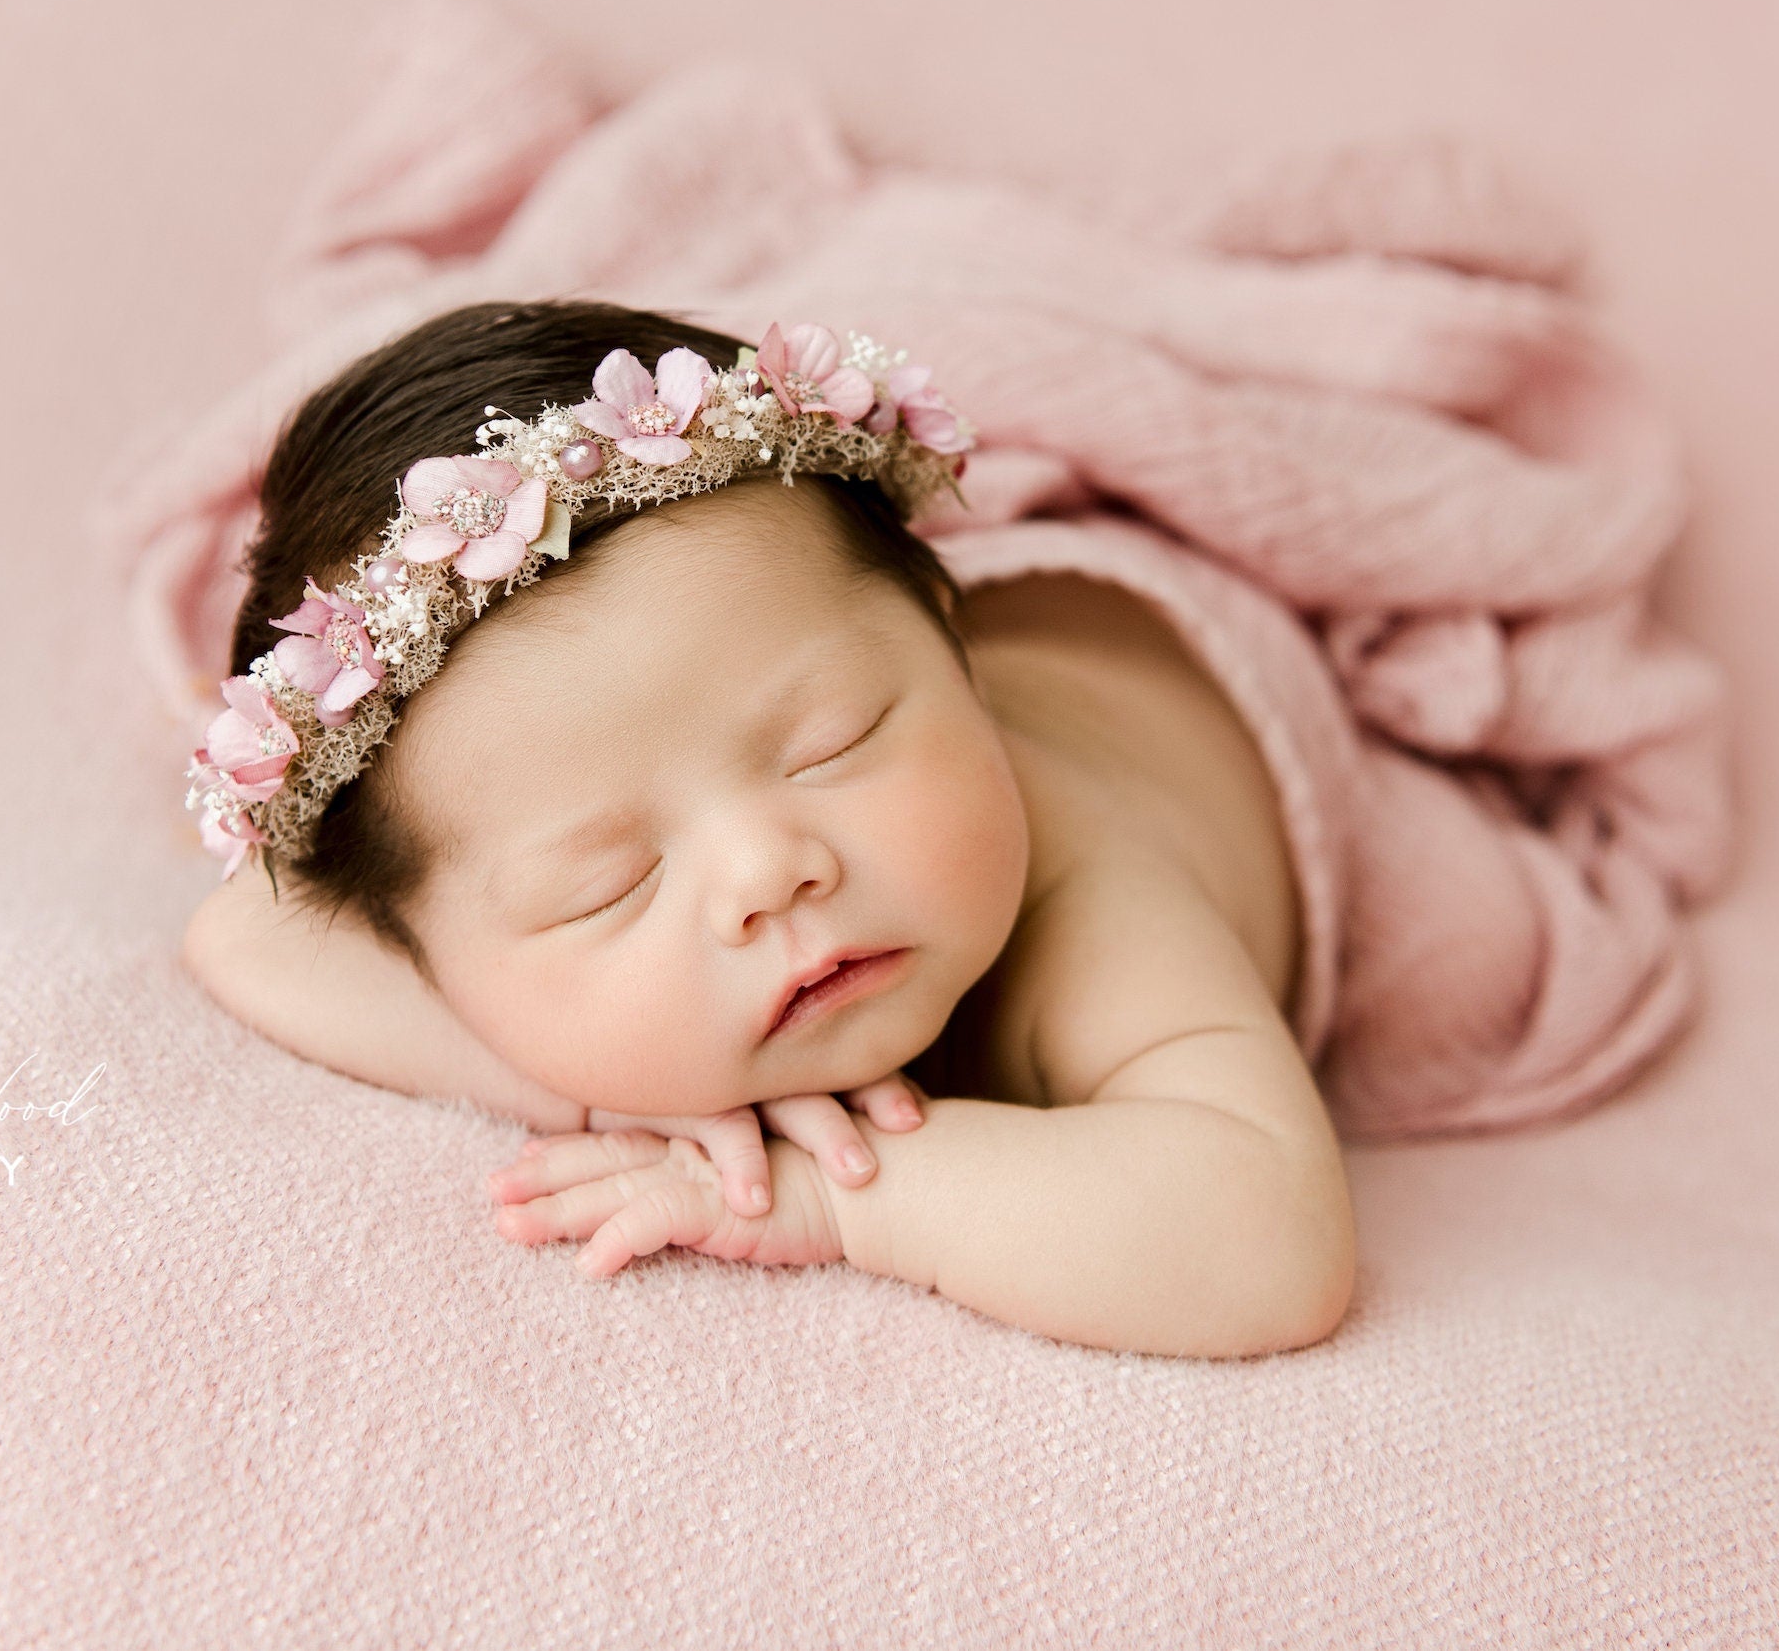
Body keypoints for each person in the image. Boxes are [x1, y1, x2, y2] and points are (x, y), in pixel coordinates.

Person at [177, 300, 1542, 1357]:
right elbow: (245, 934)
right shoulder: (465, 872)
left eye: (833, 744)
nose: (768, 872)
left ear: (950, 651)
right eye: (608, 885)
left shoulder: (1082, 887)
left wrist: (841, 1192)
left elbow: (1264, 1241)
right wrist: (599, 1085)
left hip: (1188, 663)